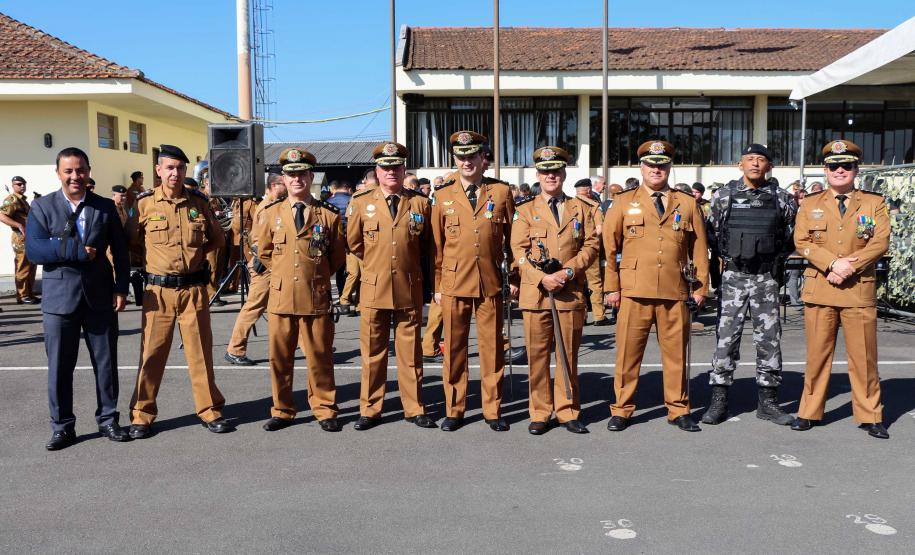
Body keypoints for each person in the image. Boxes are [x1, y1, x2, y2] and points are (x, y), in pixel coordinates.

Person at [24, 147, 130, 450]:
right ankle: (62, 427)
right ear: (58, 173)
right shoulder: (42, 207)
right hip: (59, 301)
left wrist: (121, 288)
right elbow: (35, 250)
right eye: (68, 171)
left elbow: (120, 251)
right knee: (59, 367)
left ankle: (108, 420)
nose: (75, 176)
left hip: (100, 297)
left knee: (106, 364)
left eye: (80, 170)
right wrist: (75, 250)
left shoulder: (105, 206)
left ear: (88, 171)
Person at [603, 140, 709, 433]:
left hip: (675, 290)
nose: (656, 170)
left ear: (669, 167)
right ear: (641, 167)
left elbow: (699, 248)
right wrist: (611, 287)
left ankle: (678, 409)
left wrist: (700, 288)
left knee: (676, 356)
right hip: (633, 290)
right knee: (627, 355)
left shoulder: (686, 203)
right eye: (650, 165)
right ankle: (622, 408)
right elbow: (609, 248)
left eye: (662, 165)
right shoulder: (623, 201)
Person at [128, 144, 233, 438]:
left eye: (180, 168)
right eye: (170, 168)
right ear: (158, 170)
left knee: (200, 354)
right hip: (158, 292)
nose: (175, 173)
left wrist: (195, 258)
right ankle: (142, 414)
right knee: (151, 355)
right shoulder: (144, 204)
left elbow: (217, 239)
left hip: (193, 291)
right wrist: (156, 262)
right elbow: (131, 242)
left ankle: (210, 410)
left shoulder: (198, 202)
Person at [792, 140, 890, 439]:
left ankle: (870, 414)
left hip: (858, 289)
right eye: (834, 166)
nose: (840, 170)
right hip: (821, 287)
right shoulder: (810, 203)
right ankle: (809, 411)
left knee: (864, 358)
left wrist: (850, 266)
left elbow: (880, 242)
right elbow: (802, 241)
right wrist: (833, 264)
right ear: (825, 170)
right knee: (817, 356)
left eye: (846, 165)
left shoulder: (874, 203)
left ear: (856, 170)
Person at [701, 144, 797, 426]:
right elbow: (713, 234)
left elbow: (791, 237)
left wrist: (770, 260)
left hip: (766, 278)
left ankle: (768, 402)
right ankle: (719, 400)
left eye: (761, 160)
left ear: (769, 166)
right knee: (725, 340)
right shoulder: (723, 196)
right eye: (750, 159)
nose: (755, 164)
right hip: (733, 278)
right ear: (740, 164)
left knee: (769, 340)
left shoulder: (782, 198)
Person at [430, 131, 517, 432]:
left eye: (472, 156)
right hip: (453, 284)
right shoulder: (442, 195)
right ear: (455, 159)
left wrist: (514, 277)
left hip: (489, 283)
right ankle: (454, 409)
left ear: (482, 158)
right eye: (461, 157)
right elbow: (436, 247)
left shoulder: (501, 192)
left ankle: (493, 410)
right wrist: (437, 287)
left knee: (492, 349)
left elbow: (512, 242)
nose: (466, 162)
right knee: (454, 350)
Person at [254, 148, 346, 432]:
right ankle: (282, 410)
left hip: (315, 295)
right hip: (281, 296)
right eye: (291, 174)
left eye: (302, 174)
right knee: (280, 359)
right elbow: (263, 252)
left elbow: (337, 256)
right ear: (283, 178)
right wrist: (285, 273)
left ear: (311, 177)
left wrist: (312, 275)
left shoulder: (327, 214)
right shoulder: (270, 213)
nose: (297, 179)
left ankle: (324, 408)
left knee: (320, 357)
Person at [347, 142, 436, 430]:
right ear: (377, 170)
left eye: (396, 167)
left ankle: (414, 407)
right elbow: (354, 244)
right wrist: (378, 264)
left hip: (408, 287)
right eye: (385, 167)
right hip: (374, 288)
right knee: (373, 354)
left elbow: (426, 246)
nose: (391, 172)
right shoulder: (361, 203)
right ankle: (370, 409)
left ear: (403, 169)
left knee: (410, 354)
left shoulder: (420, 204)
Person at [511, 146, 599, 435]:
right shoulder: (524, 210)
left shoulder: (581, 208)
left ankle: (568, 410)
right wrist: (541, 277)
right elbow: (518, 252)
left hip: (569, 292)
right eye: (545, 171)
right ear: (538, 175)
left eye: (556, 171)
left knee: (568, 355)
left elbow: (591, 246)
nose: (551, 176)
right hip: (536, 295)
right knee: (537, 357)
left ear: (564, 174)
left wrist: (568, 271)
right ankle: (539, 412)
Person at [224, 172, 287, 365]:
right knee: (253, 308)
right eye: (284, 183)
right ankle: (235, 349)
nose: (289, 185)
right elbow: (259, 242)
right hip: (266, 267)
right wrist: (268, 264)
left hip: (274, 265)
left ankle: (307, 346)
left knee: (288, 307)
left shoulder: (275, 205)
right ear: (275, 186)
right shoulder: (267, 208)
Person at [574, 178, 609, 326]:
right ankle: (599, 316)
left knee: (577, 283)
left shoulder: (569, 204)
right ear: (588, 190)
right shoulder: (593, 206)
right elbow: (600, 229)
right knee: (594, 282)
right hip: (590, 249)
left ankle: (581, 316)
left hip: (573, 250)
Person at [0, 176, 39, 303]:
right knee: (23, 265)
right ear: (13, 186)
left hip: (29, 236)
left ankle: (29, 293)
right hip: (20, 237)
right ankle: (22, 295)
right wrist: (18, 225)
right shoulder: (12, 199)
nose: (22, 186)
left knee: (31, 265)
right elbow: (2, 215)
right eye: (19, 184)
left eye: (23, 184)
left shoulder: (22, 200)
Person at [327, 180, 353, 303]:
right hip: (351, 240)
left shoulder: (328, 202)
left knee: (338, 269)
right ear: (347, 188)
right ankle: (347, 296)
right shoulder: (352, 200)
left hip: (334, 240)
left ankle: (339, 293)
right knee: (352, 270)